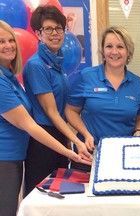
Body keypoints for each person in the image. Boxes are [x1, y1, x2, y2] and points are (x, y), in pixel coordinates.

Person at [0, 20, 90, 216]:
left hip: (19, 153)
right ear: (38, 34)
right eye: (1, 42)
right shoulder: (32, 67)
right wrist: (72, 149)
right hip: (9, 155)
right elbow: (33, 123)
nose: (8, 45)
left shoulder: (9, 76)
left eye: (10, 40)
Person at [23, 5, 92, 197]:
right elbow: (52, 113)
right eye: (48, 29)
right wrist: (76, 140)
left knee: (59, 195)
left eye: (59, 28)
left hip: (59, 135)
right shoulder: (37, 66)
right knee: (42, 196)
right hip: (44, 139)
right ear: (38, 33)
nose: (55, 33)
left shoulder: (56, 63)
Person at [65, 26, 140, 171]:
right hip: (89, 155)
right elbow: (71, 111)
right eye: (109, 46)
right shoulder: (87, 76)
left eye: (120, 47)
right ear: (103, 50)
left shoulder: (137, 83)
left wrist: (138, 132)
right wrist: (86, 134)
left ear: (128, 51)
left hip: (125, 156)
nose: (114, 52)